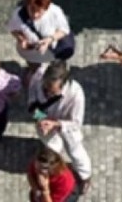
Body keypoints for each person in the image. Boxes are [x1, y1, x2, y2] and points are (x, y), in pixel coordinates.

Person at [28, 61, 91, 193]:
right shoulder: (37, 77)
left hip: (67, 127)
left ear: (63, 85)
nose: (49, 94)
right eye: (46, 89)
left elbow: (76, 123)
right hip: (44, 122)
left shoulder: (76, 94)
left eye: (53, 92)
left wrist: (56, 124)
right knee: (52, 150)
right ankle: (53, 171)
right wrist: (41, 118)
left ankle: (85, 176)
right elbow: (32, 103)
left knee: (76, 153)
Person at [8, 0, 71, 78]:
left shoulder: (55, 11)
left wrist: (49, 40)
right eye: (32, 10)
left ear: (46, 9)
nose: (35, 15)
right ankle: (34, 73)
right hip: (31, 50)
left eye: (39, 12)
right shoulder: (18, 15)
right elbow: (13, 29)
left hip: (51, 50)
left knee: (54, 66)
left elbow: (64, 30)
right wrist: (21, 39)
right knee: (33, 65)